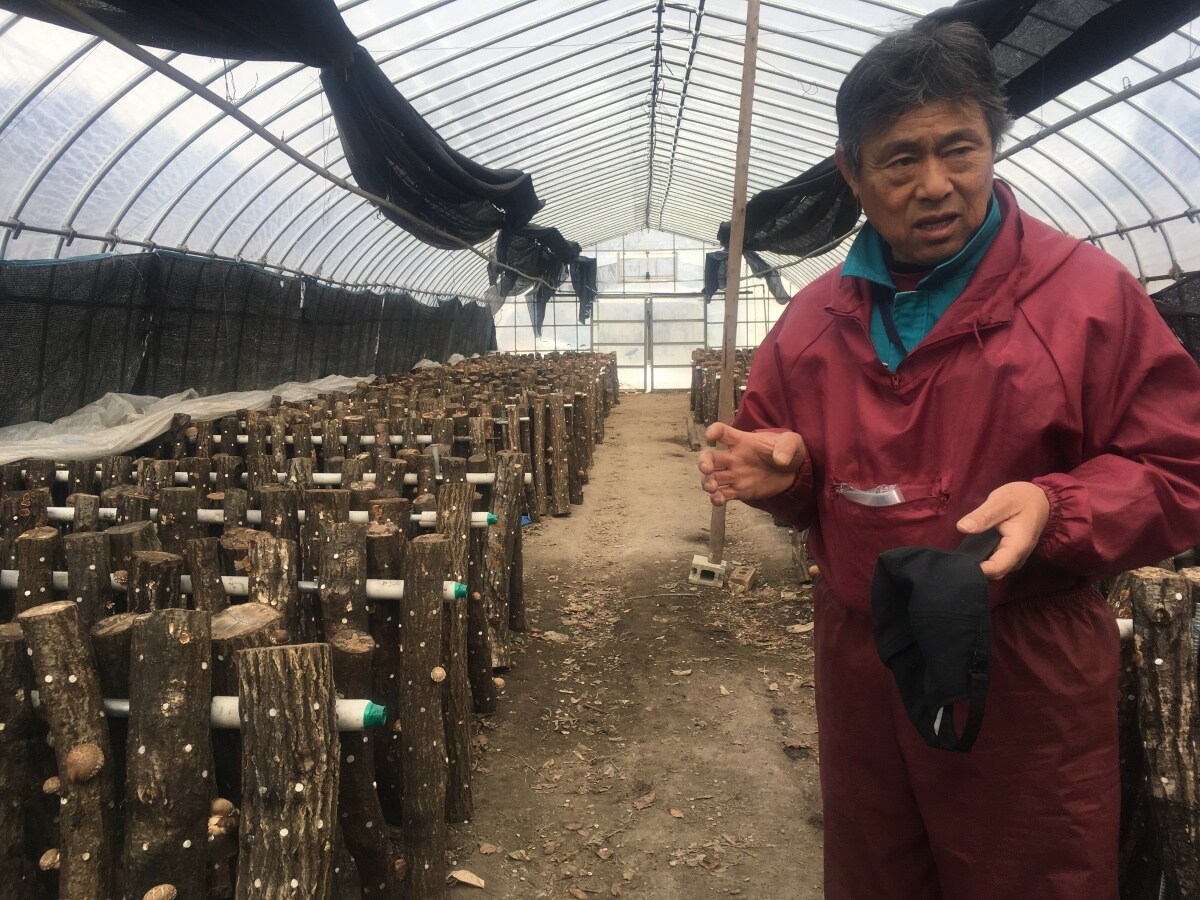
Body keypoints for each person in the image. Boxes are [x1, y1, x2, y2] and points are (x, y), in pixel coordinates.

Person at [697, 20, 1200, 900]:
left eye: (959, 150)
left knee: (1032, 875)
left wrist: (1060, 507)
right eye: (899, 161)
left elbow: (1179, 464)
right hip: (863, 663)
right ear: (851, 174)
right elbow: (775, 449)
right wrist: (788, 479)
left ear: (992, 147)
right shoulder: (814, 323)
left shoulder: (1084, 298)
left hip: (1024, 665)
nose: (936, 186)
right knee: (876, 873)